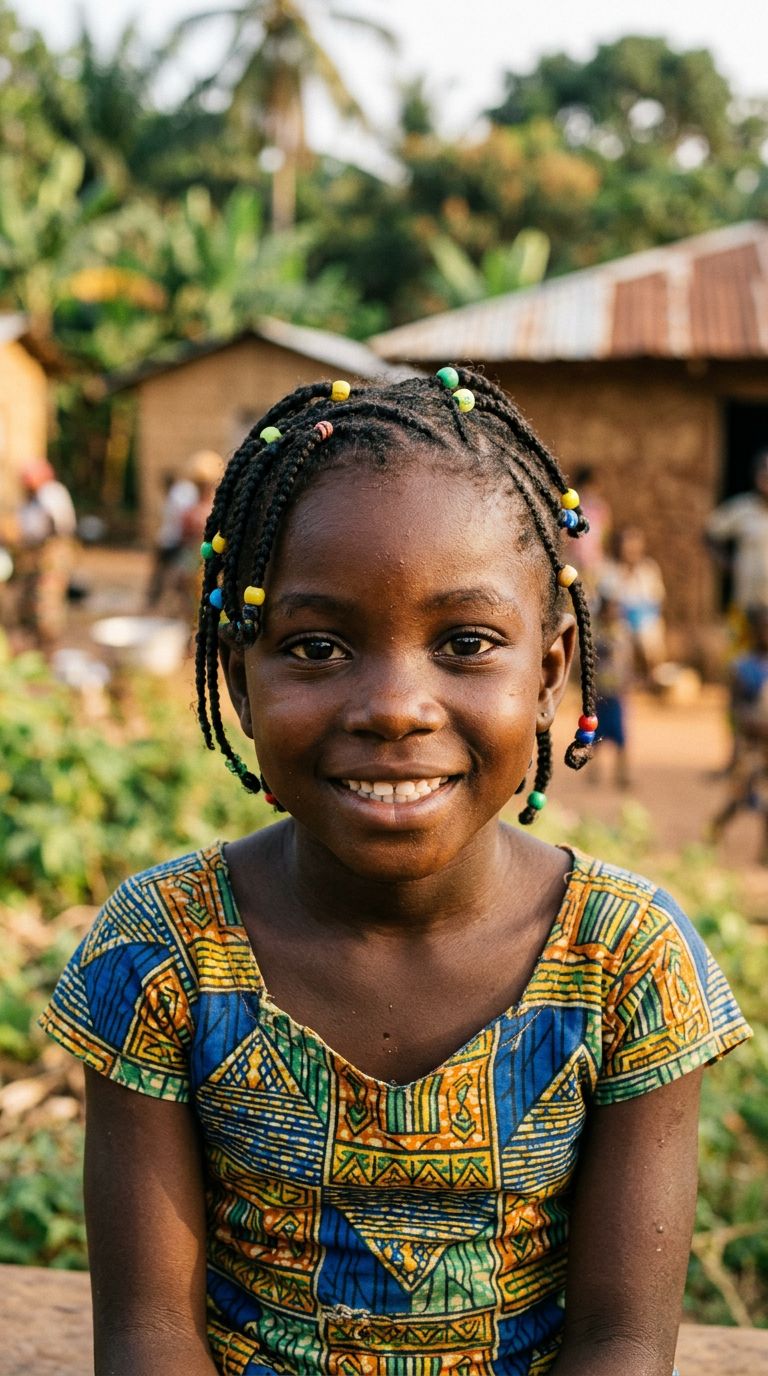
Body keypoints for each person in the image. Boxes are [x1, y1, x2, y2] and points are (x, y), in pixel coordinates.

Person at [40, 370, 750, 1376]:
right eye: (317, 645)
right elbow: (149, 1335)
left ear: (550, 671)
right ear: (239, 676)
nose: (395, 706)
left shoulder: (626, 961)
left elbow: (623, 1341)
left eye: (465, 642)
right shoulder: (162, 951)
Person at [710, 606, 768, 858]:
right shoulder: (742, 668)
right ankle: (718, 825)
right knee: (740, 797)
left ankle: (764, 853)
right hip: (751, 746)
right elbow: (735, 712)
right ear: (753, 631)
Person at [12, 459, 77, 650]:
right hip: (33, 556)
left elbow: (56, 525)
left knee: (46, 601)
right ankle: (35, 643)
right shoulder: (30, 501)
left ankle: (50, 645)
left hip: (51, 555)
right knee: (28, 600)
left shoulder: (50, 493)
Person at [706, 447, 768, 639]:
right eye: (763, 470)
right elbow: (709, 533)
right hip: (745, 602)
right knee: (739, 659)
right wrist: (726, 563)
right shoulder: (742, 508)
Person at [602, 525, 666, 684]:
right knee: (619, 639)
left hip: (646, 621)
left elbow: (657, 600)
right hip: (619, 623)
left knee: (649, 637)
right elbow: (606, 606)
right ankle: (624, 681)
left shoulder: (648, 569)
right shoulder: (610, 570)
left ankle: (652, 678)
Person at [591, 588, 634, 788]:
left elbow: (627, 661)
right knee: (594, 734)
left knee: (620, 737)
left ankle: (622, 775)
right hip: (599, 691)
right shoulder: (595, 633)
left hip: (616, 691)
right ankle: (594, 771)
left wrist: (628, 682)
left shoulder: (623, 632)